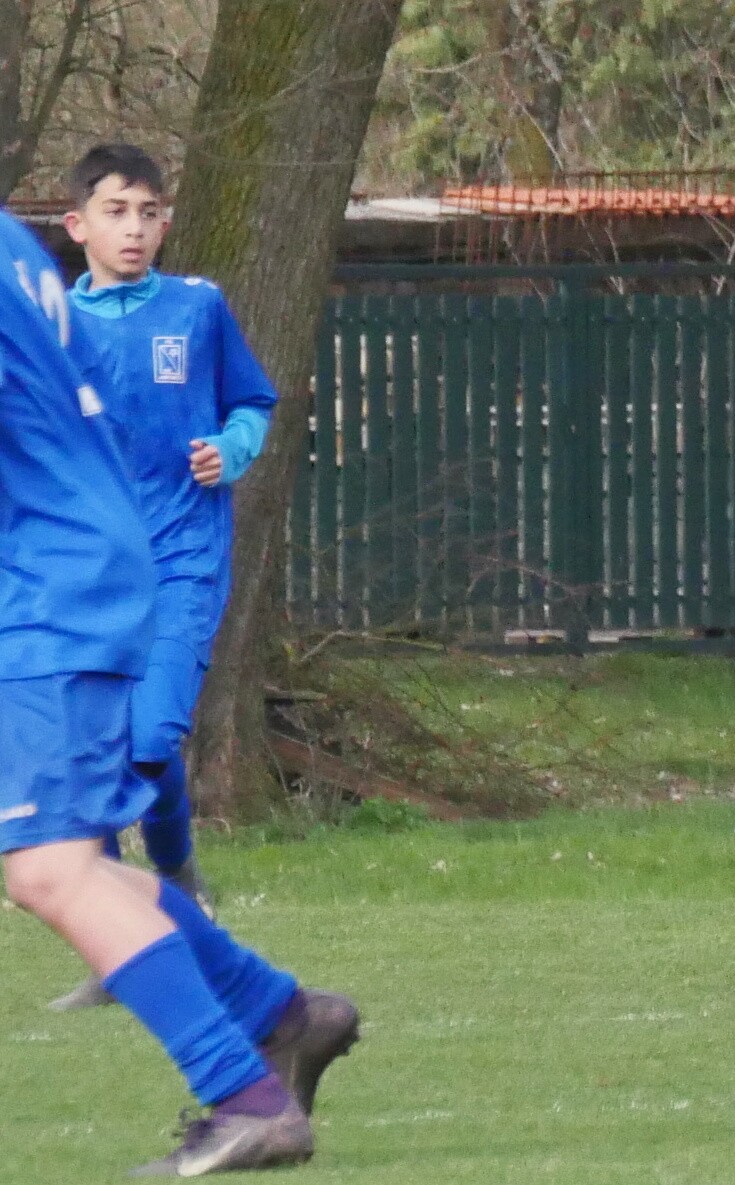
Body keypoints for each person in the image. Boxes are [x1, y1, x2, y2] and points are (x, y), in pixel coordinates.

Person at [0, 206, 358, 1175]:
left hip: (47, 588)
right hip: (71, 571)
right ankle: (281, 1014)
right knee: (67, 858)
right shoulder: (16, 249)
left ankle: (248, 1099)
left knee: (48, 869)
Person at [47, 144, 277, 1013]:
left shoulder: (198, 308)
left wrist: (233, 449)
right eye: (116, 211)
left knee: (148, 741)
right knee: (96, 757)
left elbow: (251, 403)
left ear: (166, 220)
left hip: (183, 558)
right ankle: (121, 948)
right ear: (77, 225)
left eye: (148, 212)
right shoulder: (50, 329)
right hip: (89, 573)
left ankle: (176, 875)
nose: (134, 228)